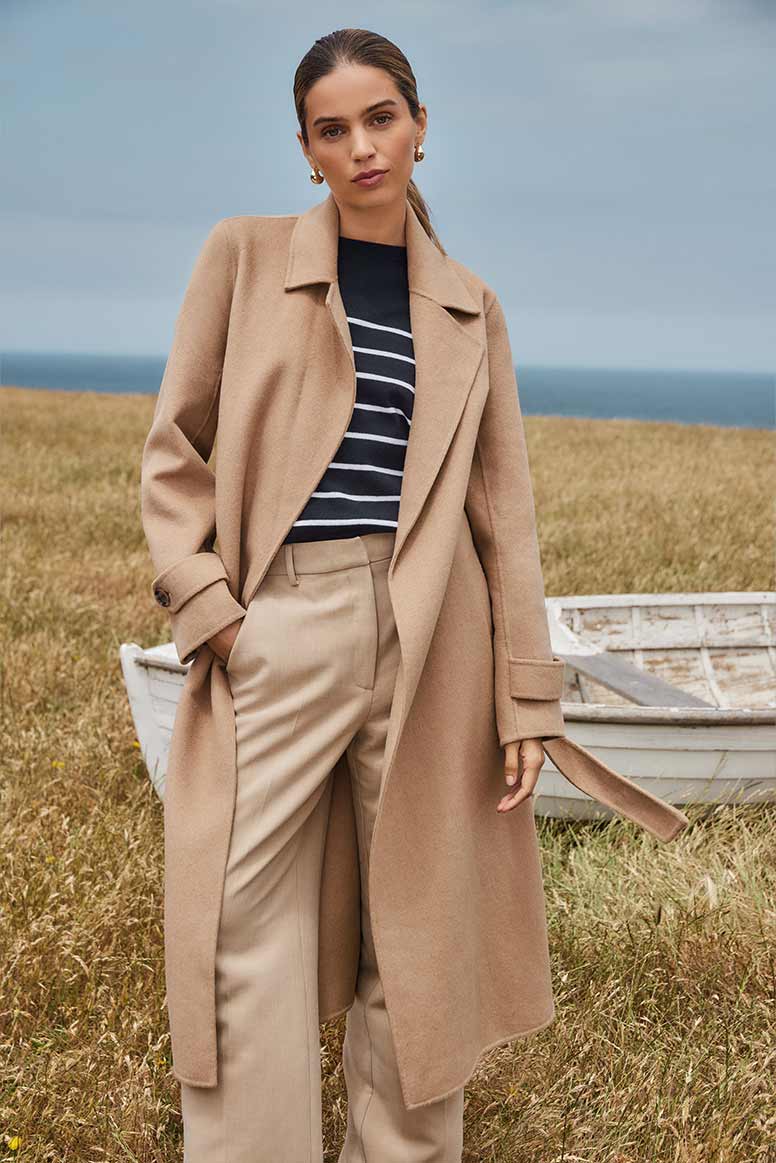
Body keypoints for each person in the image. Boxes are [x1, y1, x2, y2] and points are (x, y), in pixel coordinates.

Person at [140, 26, 688, 1163]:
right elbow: (172, 448)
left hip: (434, 630)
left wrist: (525, 694)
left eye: (380, 117)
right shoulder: (242, 257)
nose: (361, 147)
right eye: (332, 129)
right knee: (239, 910)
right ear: (305, 149)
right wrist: (214, 612)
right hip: (278, 620)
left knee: (419, 926)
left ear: (420, 125)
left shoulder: (467, 305)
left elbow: (505, 515)